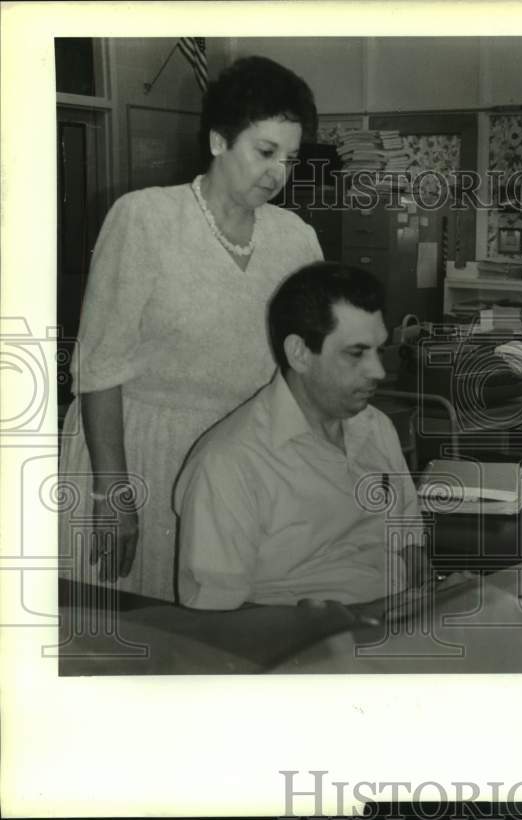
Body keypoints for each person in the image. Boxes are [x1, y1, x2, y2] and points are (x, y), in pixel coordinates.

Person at [58, 56, 323, 601]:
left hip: (243, 465)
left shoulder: (297, 238)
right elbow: (99, 367)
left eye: (291, 160)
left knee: (232, 640)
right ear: (220, 141)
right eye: (266, 152)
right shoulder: (145, 220)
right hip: (144, 459)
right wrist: (114, 494)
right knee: (141, 639)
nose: (278, 174)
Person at [174, 263, 427, 611]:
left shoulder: (376, 427)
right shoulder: (230, 463)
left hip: (398, 628)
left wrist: (429, 606)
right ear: (300, 353)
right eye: (356, 353)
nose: (379, 372)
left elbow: (409, 540)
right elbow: (213, 619)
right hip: (304, 650)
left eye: (379, 350)